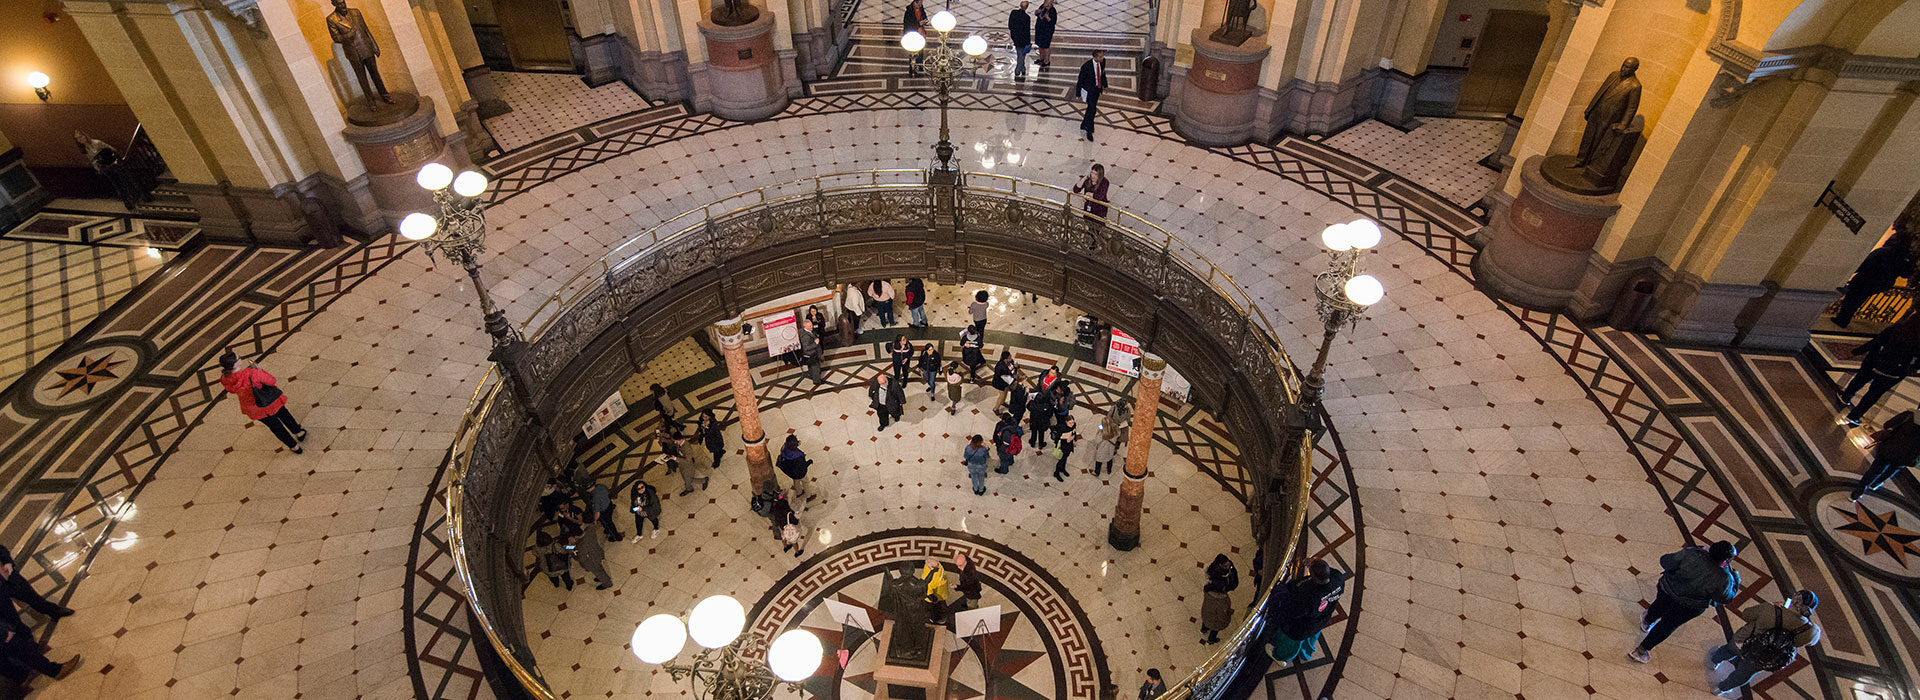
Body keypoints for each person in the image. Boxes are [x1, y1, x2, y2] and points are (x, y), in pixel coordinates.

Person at [1628, 540, 1740, 663]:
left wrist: (1694, 551)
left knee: (1659, 604)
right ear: (1725, 561)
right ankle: (1641, 651)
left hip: (1668, 589)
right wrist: (1736, 579)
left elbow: (1665, 561)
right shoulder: (1724, 578)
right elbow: (1725, 598)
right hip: (1689, 606)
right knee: (1667, 625)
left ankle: (1647, 621)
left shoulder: (1692, 554)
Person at [1710, 590, 1822, 696]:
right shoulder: (1811, 631)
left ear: (1795, 598)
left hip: (1744, 641)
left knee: (1729, 650)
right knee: (1744, 674)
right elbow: (1806, 643)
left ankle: (1714, 661)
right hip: (1765, 657)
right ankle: (1721, 689)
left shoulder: (1769, 609)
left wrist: (1772, 605)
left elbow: (1746, 614)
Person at [218, 351, 307, 452]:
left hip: (254, 408)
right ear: (235, 364)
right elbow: (272, 381)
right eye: (239, 358)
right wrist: (259, 370)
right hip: (271, 401)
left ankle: (293, 446)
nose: (241, 358)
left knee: (275, 427)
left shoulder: (224, 378)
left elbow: (232, 390)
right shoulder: (252, 373)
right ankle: (298, 432)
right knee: (284, 415)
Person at [1841, 319, 1920, 425]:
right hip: (1894, 372)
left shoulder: (1896, 329)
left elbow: (1876, 342)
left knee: (1860, 379)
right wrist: (1909, 370)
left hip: (1876, 361)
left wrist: (1857, 351)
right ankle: (1854, 416)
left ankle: (1846, 397)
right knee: (1874, 394)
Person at [1268, 559, 1347, 662]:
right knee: (1312, 635)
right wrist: (1316, 563)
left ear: (1313, 576)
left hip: (1303, 626)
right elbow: (1326, 570)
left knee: (1290, 641)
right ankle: (1306, 652)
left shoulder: (1308, 597)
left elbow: (1291, 612)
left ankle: (1281, 657)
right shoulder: (1338, 578)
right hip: (1323, 617)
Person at [1833, 227, 1913, 328]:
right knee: (1858, 299)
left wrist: (1851, 273)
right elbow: (1905, 273)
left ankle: (1842, 319)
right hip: (1881, 284)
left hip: (1866, 279)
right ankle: (1844, 319)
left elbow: (1865, 263)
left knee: (1851, 299)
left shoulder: (1882, 252)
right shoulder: (1903, 257)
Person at [1854, 409, 1920, 501]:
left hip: (1889, 448)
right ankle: (1876, 483)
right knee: (1893, 469)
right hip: (1906, 457)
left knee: (1874, 471)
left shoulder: (1909, 415)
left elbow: (1887, 425)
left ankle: (1856, 494)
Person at [566, 519, 615, 590]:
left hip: (591, 560)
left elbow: (579, 558)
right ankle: (603, 577)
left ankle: (607, 583)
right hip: (597, 552)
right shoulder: (590, 529)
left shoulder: (580, 545)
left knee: (598, 571)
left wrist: (569, 546)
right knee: (600, 568)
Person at [1200, 554, 1238, 644]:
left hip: (1206, 614)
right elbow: (1222, 616)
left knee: (1207, 620)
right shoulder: (1223, 601)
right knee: (1215, 629)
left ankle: (1204, 629)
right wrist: (1228, 616)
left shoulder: (1208, 593)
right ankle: (1211, 639)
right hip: (1215, 620)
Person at [1073, 163, 1111, 250]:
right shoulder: (1088, 180)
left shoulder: (1104, 182)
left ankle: (1094, 246)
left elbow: (1100, 196)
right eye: (1092, 173)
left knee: (1097, 228)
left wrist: (1088, 194)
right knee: (1090, 226)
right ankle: (1093, 241)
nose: (1093, 176)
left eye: (1096, 174)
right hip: (1089, 208)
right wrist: (1083, 179)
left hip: (1099, 210)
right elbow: (1075, 190)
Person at [1075, 50, 1109, 141]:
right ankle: (1089, 129)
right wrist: (1078, 93)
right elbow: (1080, 80)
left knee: (1090, 108)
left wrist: (1105, 85)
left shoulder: (1102, 62)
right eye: (1100, 57)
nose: (1103, 58)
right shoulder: (1086, 67)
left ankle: (1084, 124)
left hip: (1097, 89)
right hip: (1089, 90)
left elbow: (1102, 74)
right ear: (1095, 57)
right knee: (1092, 110)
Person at [663, 431, 709, 496]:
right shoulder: (679, 443)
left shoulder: (687, 448)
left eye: (676, 441)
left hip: (688, 466)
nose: (675, 442)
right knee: (686, 478)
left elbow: (687, 461)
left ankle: (693, 487)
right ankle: (694, 485)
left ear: (681, 440)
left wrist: (676, 459)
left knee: (688, 480)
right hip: (681, 464)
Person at [777, 435, 814, 500]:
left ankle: (799, 493)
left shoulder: (785, 448)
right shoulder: (797, 457)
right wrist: (809, 462)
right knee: (806, 482)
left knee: (796, 481)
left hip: (792, 472)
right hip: (800, 472)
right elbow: (802, 467)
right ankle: (809, 496)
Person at [903, 0, 929, 74]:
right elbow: (908, 24)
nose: (921, 5)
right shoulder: (909, 12)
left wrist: (925, 21)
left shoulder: (921, 9)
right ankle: (912, 67)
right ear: (915, 3)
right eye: (920, 4)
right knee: (913, 51)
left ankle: (920, 64)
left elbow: (924, 16)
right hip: (913, 33)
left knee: (921, 50)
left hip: (921, 33)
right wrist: (918, 24)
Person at [1008, 1, 1032, 80]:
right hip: (1023, 38)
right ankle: (1017, 70)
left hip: (1015, 36)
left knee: (1021, 53)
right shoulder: (1026, 17)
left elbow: (1010, 25)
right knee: (1021, 55)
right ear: (1027, 7)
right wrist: (1028, 41)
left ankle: (1023, 69)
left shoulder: (1013, 13)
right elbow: (1027, 30)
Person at [798, 318, 825, 386]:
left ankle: (811, 375)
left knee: (811, 366)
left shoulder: (809, 331)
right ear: (805, 327)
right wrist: (815, 343)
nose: (812, 327)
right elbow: (806, 348)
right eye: (810, 326)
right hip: (811, 354)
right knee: (816, 367)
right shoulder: (805, 336)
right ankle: (817, 381)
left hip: (813, 353)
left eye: (811, 325)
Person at [1027, 381, 1054, 448]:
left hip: (1034, 421)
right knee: (1041, 433)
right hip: (1042, 422)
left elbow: (1028, 407)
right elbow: (1050, 414)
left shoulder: (1032, 404)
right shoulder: (1047, 406)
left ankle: (1032, 442)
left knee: (1034, 432)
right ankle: (1041, 444)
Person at [1034, 0, 1057, 67]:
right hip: (1039, 29)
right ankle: (1041, 58)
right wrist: (1037, 12)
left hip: (1047, 31)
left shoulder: (1052, 11)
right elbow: (1037, 14)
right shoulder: (1042, 7)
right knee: (1040, 45)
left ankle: (1047, 60)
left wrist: (1048, 18)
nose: (1044, 3)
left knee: (1046, 46)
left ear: (1050, 3)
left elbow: (1053, 22)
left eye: (1046, 2)